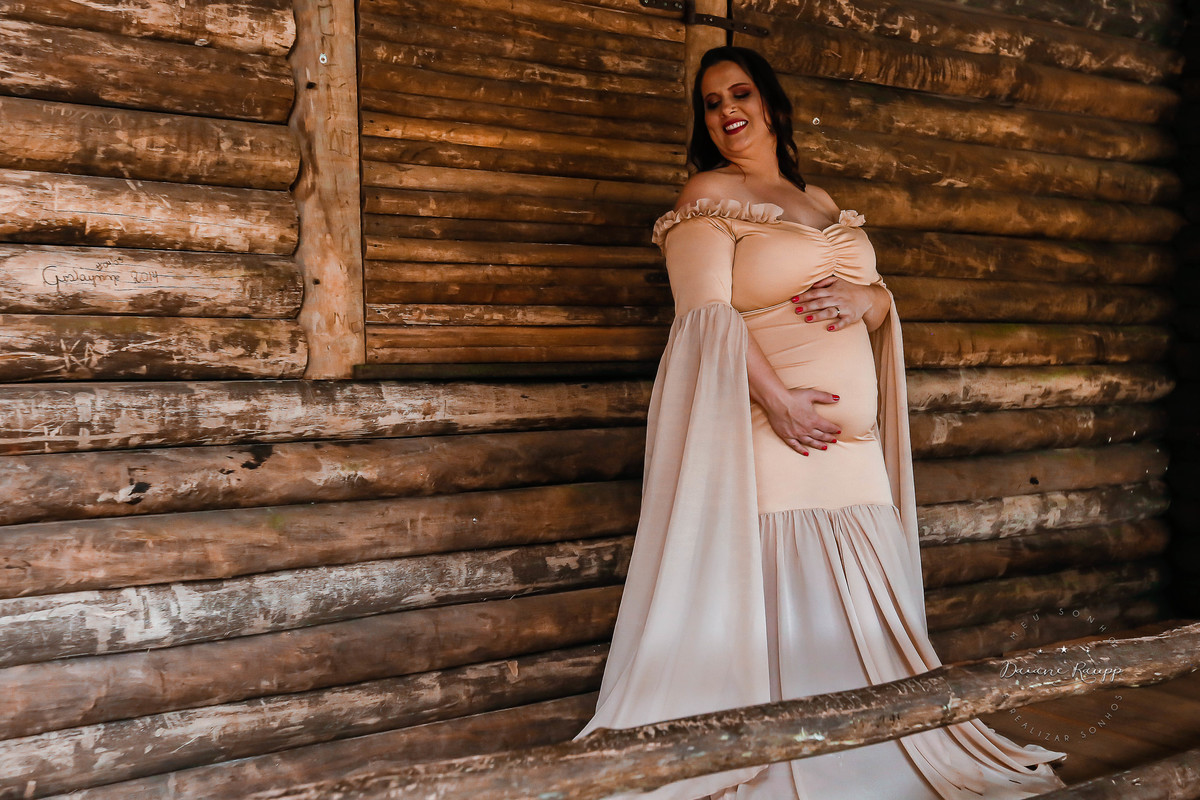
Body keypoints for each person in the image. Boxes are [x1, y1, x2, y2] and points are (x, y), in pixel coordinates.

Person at [573, 46, 1070, 799]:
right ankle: (802, 756)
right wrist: (778, 400)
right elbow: (704, 315)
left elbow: (875, 296)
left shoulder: (820, 197)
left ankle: (879, 744)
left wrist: (872, 302)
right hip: (775, 432)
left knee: (865, 601)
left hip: (856, 451)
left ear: (771, 103)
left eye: (740, 93)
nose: (727, 110)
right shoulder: (709, 194)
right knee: (789, 594)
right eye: (712, 102)